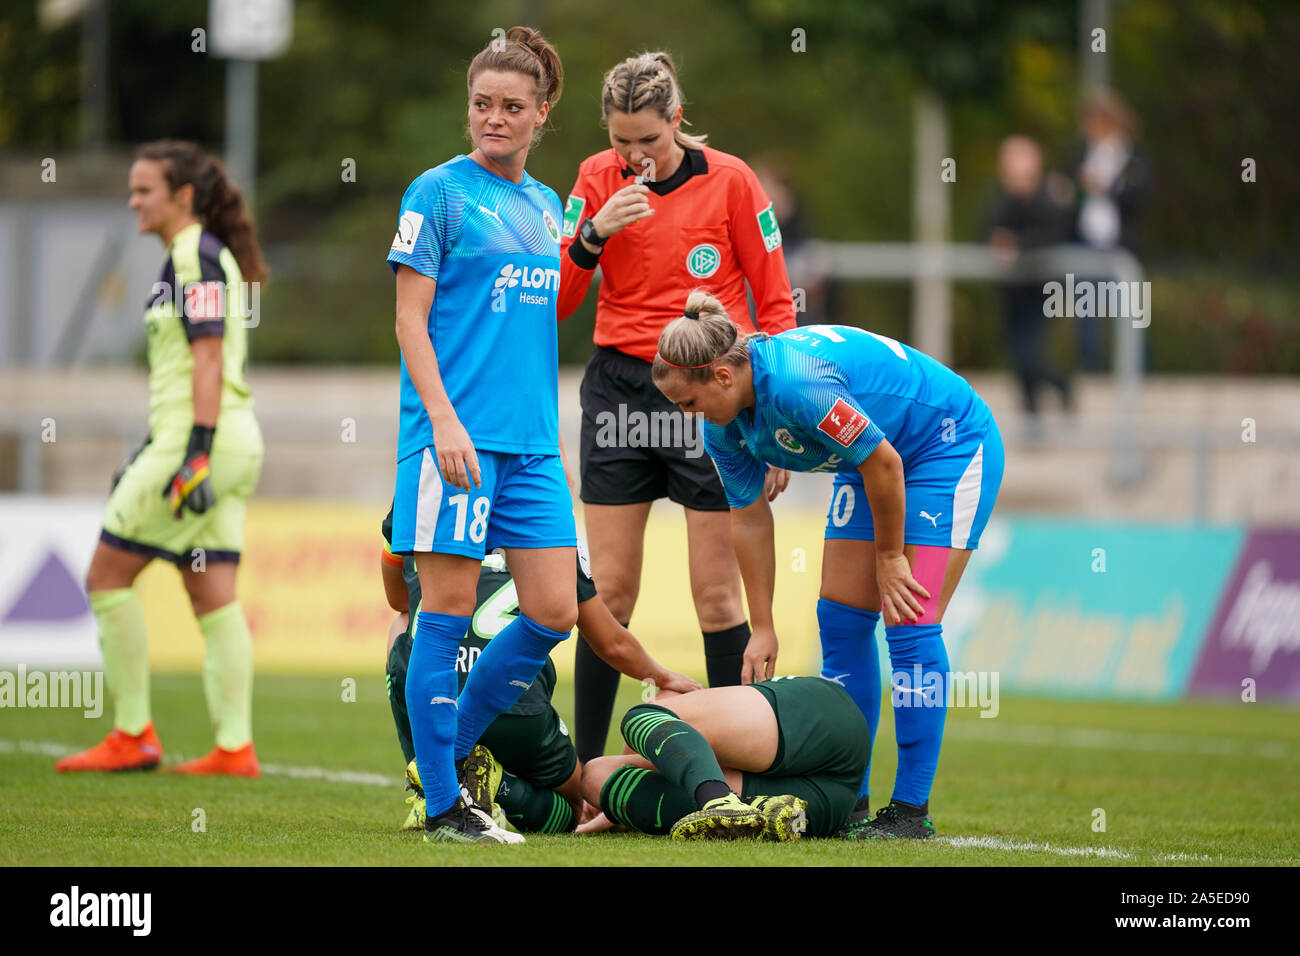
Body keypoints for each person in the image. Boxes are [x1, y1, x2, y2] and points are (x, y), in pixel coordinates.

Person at [651, 291, 1005, 839]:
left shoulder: (796, 385)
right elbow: (749, 521)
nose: (685, 419)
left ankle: (911, 811)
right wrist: (763, 624)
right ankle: (849, 798)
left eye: (687, 404)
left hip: (943, 447)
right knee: (840, 621)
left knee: (909, 622)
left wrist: (889, 558)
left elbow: (885, 462)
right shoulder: (722, 427)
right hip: (870, 460)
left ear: (722, 376)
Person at [556, 52, 797, 765]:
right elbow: (560, 304)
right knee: (612, 594)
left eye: (649, 142)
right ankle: (586, 773)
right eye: (620, 141)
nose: (633, 157)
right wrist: (592, 236)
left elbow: (776, 302)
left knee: (718, 597)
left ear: (678, 122)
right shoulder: (595, 181)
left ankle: (732, 769)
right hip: (621, 391)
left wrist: (773, 421)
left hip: (709, 394)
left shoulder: (733, 180)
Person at [387, 26, 581, 844]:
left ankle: (448, 760)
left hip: (533, 444)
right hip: (453, 441)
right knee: (447, 612)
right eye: (481, 105)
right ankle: (443, 805)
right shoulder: (436, 194)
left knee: (551, 611)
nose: (493, 119)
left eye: (511, 107)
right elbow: (409, 319)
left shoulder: (546, 209)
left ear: (541, 115)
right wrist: (441, 421)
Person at [57, 140, 266, 777]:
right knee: (213, 595)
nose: (132, 201)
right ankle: (234, 748)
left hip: (199, 442)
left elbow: (205, 358)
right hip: (228, 439)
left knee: (105, 577)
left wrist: (191, 454)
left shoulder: (193, 255)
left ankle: (132, 734)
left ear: (181, 197)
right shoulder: (206, 254)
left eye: (144, 190)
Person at [378, 506, 700, 832]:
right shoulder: (544, 513)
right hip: (516, 705)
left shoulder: (423, 498)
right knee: (578, 805)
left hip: (437, 693)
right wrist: (662, 675)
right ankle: (500, 782)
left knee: (402, 624)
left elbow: (397, 597)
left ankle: (426, 782)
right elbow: (610, 642)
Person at [579, 677, 869, 840]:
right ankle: (740, 807)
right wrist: (617, 811)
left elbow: (666, 699)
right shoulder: (685, 748)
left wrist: (619, 808)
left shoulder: (680, 721)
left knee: (641, 716)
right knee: (594, 776)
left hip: (821, 722)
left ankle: (719, 800)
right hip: (814, 809)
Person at [982, 135, 1073, 435]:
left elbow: (1054, 235)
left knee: (1030, 356)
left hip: (1042, 291)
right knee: (1019, 359)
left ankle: (1060, 383)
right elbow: (986, 230)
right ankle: (1032, 420)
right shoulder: (1000, 198)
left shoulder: (1049, 198)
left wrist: (1017, 244)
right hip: (1012, 292)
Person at [1069, 88, 1150, 371]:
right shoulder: (1081, 154)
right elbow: (1068, 194)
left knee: (1128, 312)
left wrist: (1106, 188)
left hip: (1121, 248)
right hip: (1086, 245)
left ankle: (1136, 371)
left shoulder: (1133, 158)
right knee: (1087, 311)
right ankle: (1091, 370)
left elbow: (1140, 198)